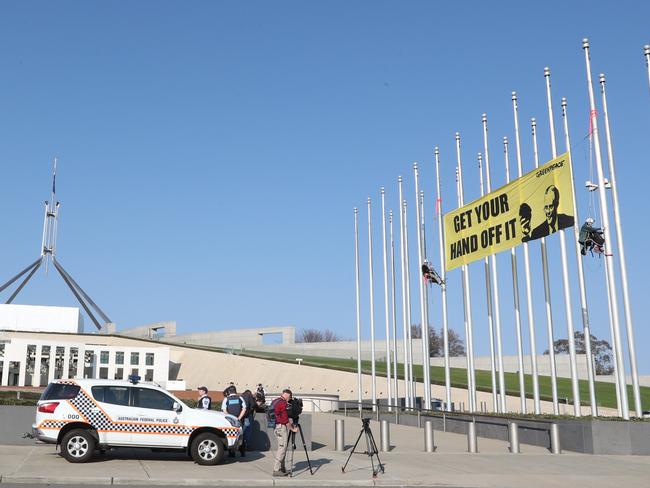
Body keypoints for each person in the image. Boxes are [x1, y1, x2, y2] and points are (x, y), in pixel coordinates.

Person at [272, 389, 298, 477]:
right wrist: (293, 429)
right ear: (287, 395)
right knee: (282, 448)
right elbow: (285, 420)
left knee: (282, 447)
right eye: (289, 397)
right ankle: (276, 469)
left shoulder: (275, 401)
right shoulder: (283, 403)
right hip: (281, 427)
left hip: (276, 427)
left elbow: (280, 416)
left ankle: (282, 468)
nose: (289, 399)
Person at [222, 385, 248, 457]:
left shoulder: (226, 399)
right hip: (239, 421)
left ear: (229, 392)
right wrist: (239, 418)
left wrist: (230, 418)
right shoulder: (240, 398)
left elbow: (224, 410)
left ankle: (232, 453)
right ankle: (243, 453)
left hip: (230, 421)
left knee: (231, 435)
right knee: (241, 435)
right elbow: (244, 409)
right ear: (235, 391)